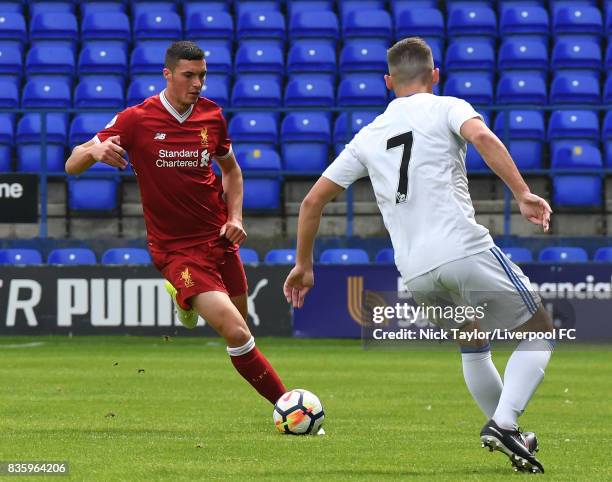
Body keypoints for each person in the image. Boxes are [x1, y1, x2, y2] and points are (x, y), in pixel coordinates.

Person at [284, 37, 553, 473]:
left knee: (473, 344)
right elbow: (482, 135)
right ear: (435, 75)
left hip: (414, 273)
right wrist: (522, 193)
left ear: (388, 81)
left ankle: (512, 433)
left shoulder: (367, 136)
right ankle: (504, 422)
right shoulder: (448, 106)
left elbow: (312, 202)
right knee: (540, 331)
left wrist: (303, 264)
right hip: (462, 249)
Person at [66, 41, 286, 406]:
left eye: (202, 75)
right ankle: (290, 407)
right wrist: (93, 151)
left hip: (217, 238)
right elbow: (71, 163)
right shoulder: (136, 119)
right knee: (236, 331)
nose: (197, 83)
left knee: (242, 322)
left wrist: (235, 217)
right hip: (175, 249)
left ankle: (183, 302)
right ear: (167, 75)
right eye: (189, 75)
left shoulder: (212, 117)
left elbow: (231, 170)